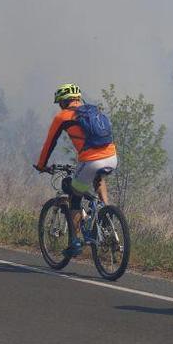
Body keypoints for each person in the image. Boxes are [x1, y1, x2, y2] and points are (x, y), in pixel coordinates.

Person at [34, 83, 118, 257]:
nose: (59, 106)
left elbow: (50, 143)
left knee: (74, 197)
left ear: (64, 102)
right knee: (98, 178)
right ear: (78, 99)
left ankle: (75, 242)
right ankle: (106, 213)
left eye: (60, 103)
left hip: (90, 161)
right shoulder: (95, 111)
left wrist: (42, 165)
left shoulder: (63, 117)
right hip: (112, 157)